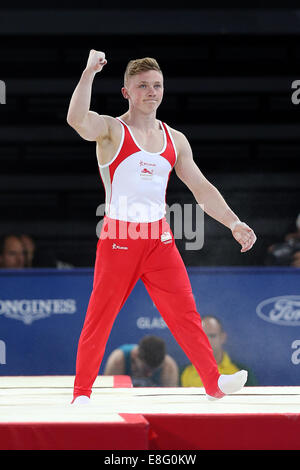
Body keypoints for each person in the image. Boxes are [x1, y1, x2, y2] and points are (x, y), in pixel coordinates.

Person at [67, 51, 257, 404]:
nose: (151, 92)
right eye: (142, 86)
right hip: (120, 237)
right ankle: (82, 393)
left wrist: (233, 221)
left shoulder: (175, 139)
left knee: (185, 313)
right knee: (100, 316)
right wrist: (89, 72)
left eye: (157, 85)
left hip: (159, 239)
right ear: (126, 92)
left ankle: (213, 383)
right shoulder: (111, 129)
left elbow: (201, 188)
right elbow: (76, 119)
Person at [181, 315, 257, 387]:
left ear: (222, 337)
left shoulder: (242, 372)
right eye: (202, 336)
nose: (207, 341)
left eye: (212, 336)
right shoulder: (183, 372)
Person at [103, 335, 179, 387]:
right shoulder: (118, 360)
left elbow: (170, 401)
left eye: (154, 370)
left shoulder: (168, 366)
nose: (149, 374)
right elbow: (108, 394)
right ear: (135, 355)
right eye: (146, 370)